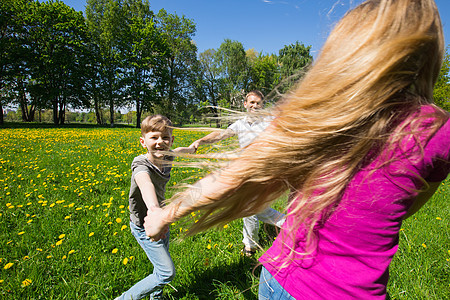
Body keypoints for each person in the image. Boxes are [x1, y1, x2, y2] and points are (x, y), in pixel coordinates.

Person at [144, 0, 449, 299]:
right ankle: (254, 237)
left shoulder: (314, 113)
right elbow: (407, 207)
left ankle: (263, 231)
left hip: (278, 278)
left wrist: (165, 215)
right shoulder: (435, 130)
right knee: (257, 214)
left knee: (261, 212)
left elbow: (232, 176)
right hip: (345, 290)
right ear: (429, 53)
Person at [189, 90, 285, 256]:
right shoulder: (240, 124)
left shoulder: (269, 122)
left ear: (263, 105)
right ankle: (293, 227)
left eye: (258, 103)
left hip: (263, 171)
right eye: (252, 102)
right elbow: (221, 134)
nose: (255, 106)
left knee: (249, 209)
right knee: (260, 211)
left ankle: (250, 246)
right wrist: (201, 141)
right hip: (246, 171)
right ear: (245, 105)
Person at [115, 115, 195, 300]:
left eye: (165, 137)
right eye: (154, 138)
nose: (160, 142)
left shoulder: (168, 156)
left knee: (160, 263)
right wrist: (154, 209)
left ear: (171, 140)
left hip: (161, 219)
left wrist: (192, 148)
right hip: (145, 224)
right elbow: (145, 184)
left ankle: (156, 296)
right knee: (166, 272)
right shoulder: (140, 164)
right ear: (143, 142)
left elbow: (180, 151)